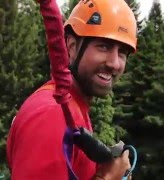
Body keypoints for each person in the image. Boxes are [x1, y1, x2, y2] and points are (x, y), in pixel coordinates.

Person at [6, 0, 137, 179]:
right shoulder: (53, 114)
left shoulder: (73, 108)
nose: (114, 63)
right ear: (71, 46)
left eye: (122, 52)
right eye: (103, 46)